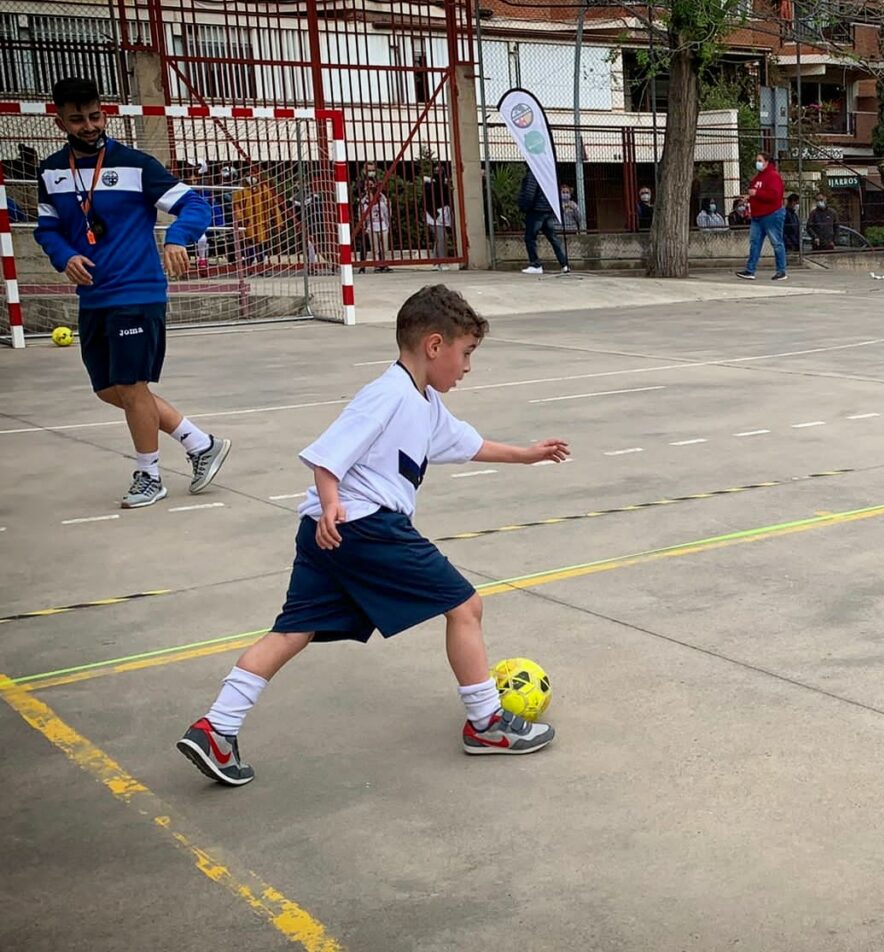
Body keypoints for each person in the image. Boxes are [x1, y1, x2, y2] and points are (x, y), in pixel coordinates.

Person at [175, 285, 571, 786]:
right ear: (434, 345)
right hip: (364, 526)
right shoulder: (387, 394)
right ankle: (487, 724)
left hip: (329, 533)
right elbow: (327, 454)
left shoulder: (423, 402)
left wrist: (527, 453)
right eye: (465, 353)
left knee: (293, 629)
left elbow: (467, 444)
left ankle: (217, 728)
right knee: (466, 606)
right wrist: (333, 498)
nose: (468, 366)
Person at [33, 76, 230, 509]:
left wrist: (178, 237)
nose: (88, 126)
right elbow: (46, 229)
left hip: (137, 291)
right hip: (94, 296)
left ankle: (149, 474)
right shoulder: (50, 171)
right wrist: (64, 256)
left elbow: (196, 204)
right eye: (77, 119)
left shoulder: (135, 164)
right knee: (109, 389)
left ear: (103, 113)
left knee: (131, 384)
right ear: (59, 120)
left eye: (94, 116)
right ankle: (201, 444)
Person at [735, 152, 786, 281]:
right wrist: (749, 198)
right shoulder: (759, 177)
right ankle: (750, 270)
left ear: (766, 162)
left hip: (771, 214)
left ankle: (781, 270)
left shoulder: (773, 176)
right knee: (755, 243)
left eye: (759, 160)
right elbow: (755, 193)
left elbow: (774, 195)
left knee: (776, 242)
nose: (757, 162)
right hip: (758, 215)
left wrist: (756, 193)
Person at [517, 169, 570, 275]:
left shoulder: (533, 173)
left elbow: (529, 193)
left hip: (536, 210)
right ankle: (564, 264)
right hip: (547, 209)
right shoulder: (545, 171)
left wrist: (523, 206)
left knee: (530, 238)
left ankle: (535, 264)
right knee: (553, 238)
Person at [422, 169, 452, 270]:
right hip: (433, 216)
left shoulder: (444, 186)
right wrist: (435, 214)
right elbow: (427, 202)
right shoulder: (429, 187)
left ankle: (436, 261)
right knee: (442, 237)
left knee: (440, 238)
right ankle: (442, 261)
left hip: (443, 214)